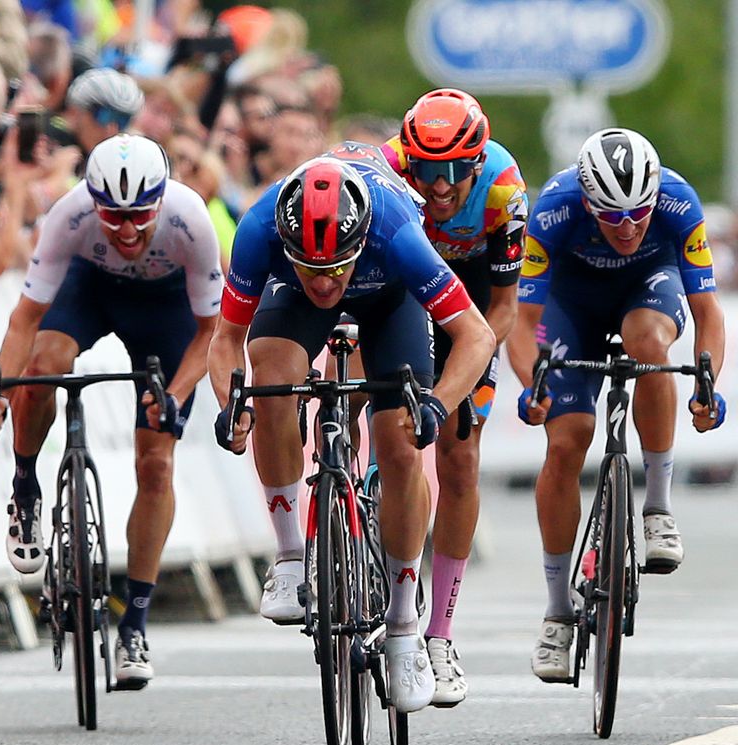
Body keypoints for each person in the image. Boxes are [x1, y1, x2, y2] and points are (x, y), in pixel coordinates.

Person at [208, 143, 496, 713]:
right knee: (270, 379)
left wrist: (436, 404)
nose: (324, 283)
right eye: (312, 268)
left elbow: (477, 336)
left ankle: (403, 623)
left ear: (357, 244)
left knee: (399, 443)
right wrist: (233, 402)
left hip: (390, 297)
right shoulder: (259, 229)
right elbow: (225, 343)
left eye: (335, 268)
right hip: (289, 295)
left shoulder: (398, 235)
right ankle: (291, 558)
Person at [0, 134, 222, 689]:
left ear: (161, 200)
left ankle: (133, 623)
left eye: (140, 215)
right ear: (93, 202)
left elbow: (212, 332)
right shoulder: (70, 215)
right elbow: (23, 319)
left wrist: (175, 394)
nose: (128, 230)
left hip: (166, 309)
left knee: (155, 463)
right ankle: (25, 488)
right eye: (113, 216)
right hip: (91, 289)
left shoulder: (190, 219)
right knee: (42, 365)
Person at [508, 128, 727, 683]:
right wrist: (532, 386)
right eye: (611, 216)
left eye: (638, 215)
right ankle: (557, 611)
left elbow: (709, 314)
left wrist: (707, 385)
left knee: (649, 346)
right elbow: (521, 323)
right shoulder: (553, 210)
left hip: (646, 292)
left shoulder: (678, 203)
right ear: (586, 201)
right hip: (569, 304)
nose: (627, 228)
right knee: (565, 441)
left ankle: (656, 507)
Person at [380, 88, 528, 707]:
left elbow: (503, 308)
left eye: (454, 171)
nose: (439, 186)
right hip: (398, 288)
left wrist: (462, 375)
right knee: (386, 420)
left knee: (460, 457)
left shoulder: (503, 189)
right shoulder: (386, 171)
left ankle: (439, 633)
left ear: (478, 160)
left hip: (468, 301)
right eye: (427, 170)